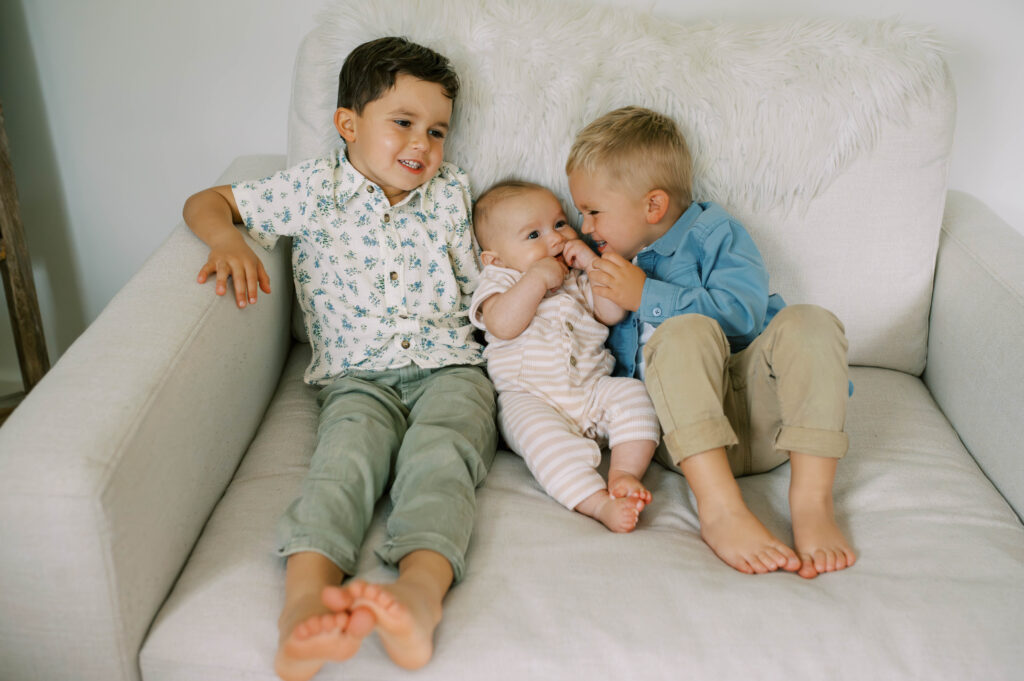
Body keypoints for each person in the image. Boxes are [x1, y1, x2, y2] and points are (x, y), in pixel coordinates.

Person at [182, 37, 497, 680]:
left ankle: (419, 595)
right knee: (342, 465)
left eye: (437, 130)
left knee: (442, 458)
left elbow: (478, 289)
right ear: (349, 125)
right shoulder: (314, 189)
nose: (423, 145)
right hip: (357, 377)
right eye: (403, 123)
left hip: (450, 368)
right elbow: (208, 202)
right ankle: (303, 610)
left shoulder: (450, 193)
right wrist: (225, 240)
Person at [565, 105, 856, 579]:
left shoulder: (714, 233)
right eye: (581, 213)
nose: (586, 226)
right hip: (685, 439)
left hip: (768, 425)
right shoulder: (603, 261)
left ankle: (811, 502)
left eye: (593, 211)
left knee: (811, 321)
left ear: (653, 207)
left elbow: (742, 316)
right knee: (681, 335)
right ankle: (720, 509)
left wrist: (647, 294)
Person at [469, 180, 661, 532]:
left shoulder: (576, 278)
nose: (556, 239)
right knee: (545, 447)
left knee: (634, 395)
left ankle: (624, 473)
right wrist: (537, 280)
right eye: (533, 235)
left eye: (559, 224)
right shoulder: (501, 280)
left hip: (591, 389)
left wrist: (591, 264)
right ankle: (596, 502)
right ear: (494, 258)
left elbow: (612, 313)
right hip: (531, 398)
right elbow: (502, 325)